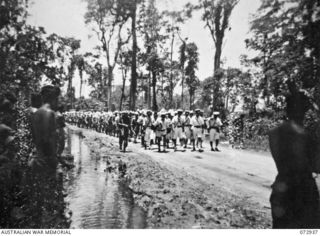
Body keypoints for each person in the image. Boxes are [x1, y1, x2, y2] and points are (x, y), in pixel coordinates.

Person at [268, 91, 320, 228]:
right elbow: (316, 166)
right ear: (303, 111)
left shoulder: (273, 133)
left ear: (287, 109)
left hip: (281, 189)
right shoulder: (308, 136)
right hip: (304, 193)